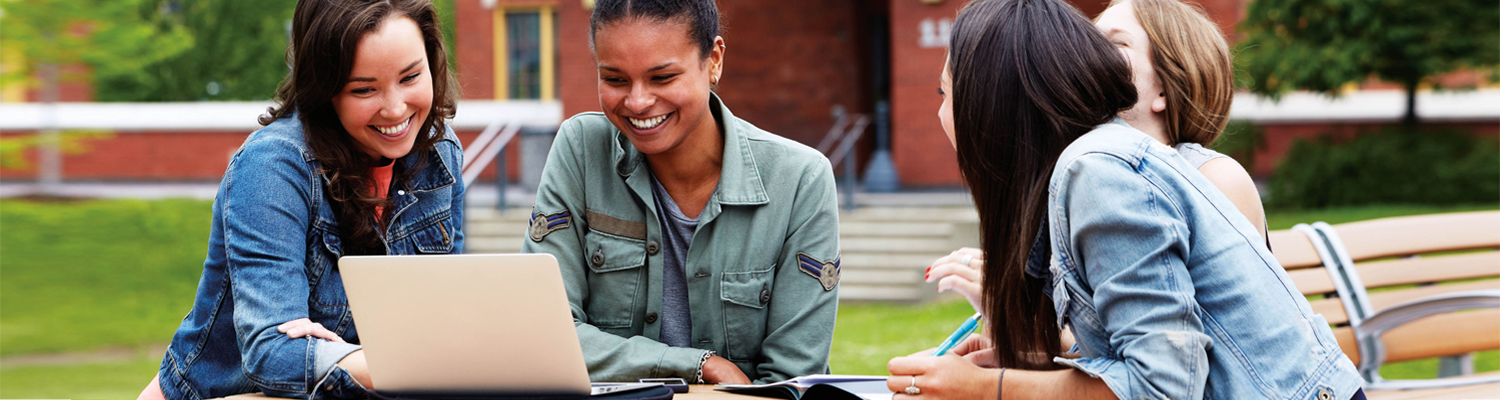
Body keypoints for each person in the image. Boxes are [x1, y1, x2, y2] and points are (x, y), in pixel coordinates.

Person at [884, 0, 1364, 398]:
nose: (942, 112)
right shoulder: (1082, 172)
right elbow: (1147, 351)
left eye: (945, 91)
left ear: (990, 100)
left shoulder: (1099, 172)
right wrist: (1017, 363)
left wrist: (991, 387)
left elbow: (1166, 388)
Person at [137, 0, 463, 398]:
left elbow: (441, 318)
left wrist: (337, 354)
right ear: (325, 91)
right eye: (364, 89)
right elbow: (271, 353)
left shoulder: (439, 154)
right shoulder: (272, 167)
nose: (396, 108)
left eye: (410, 77)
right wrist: (408, 360)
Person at [520, 0, 842, 386]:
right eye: (616, 79)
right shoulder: (581, 149)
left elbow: (792, 379)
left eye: (662, 78)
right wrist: (694, 364)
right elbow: (545, 334)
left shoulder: (800, 180)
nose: (637, 102)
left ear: (714, 61)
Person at [926, 0, 1266, 316]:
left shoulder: (1214, 177)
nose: (1086, 56)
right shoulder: (1082, 176)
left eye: (1113, 45)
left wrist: (1013, 321)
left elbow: (1199, 357)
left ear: (1164, 86)